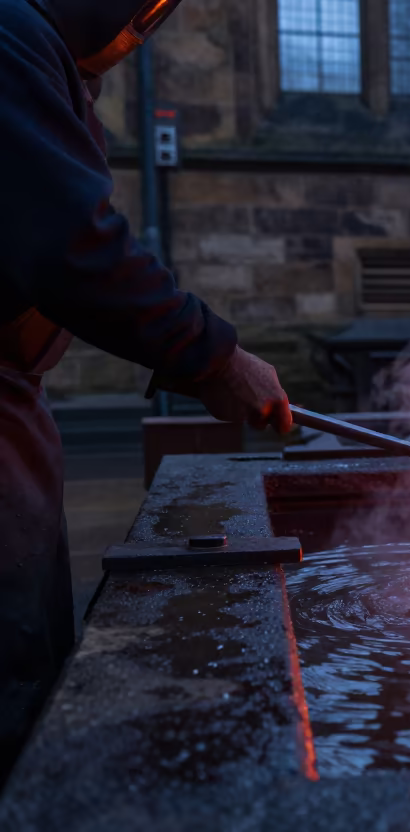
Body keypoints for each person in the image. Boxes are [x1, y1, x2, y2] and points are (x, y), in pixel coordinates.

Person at [0, 0, 292, 778]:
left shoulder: (42, 59)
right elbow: (76, 248)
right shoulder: (10, 36)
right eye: (139, 15)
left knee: (27, 644)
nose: (138, 38)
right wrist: (214, 357)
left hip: (11, 409)